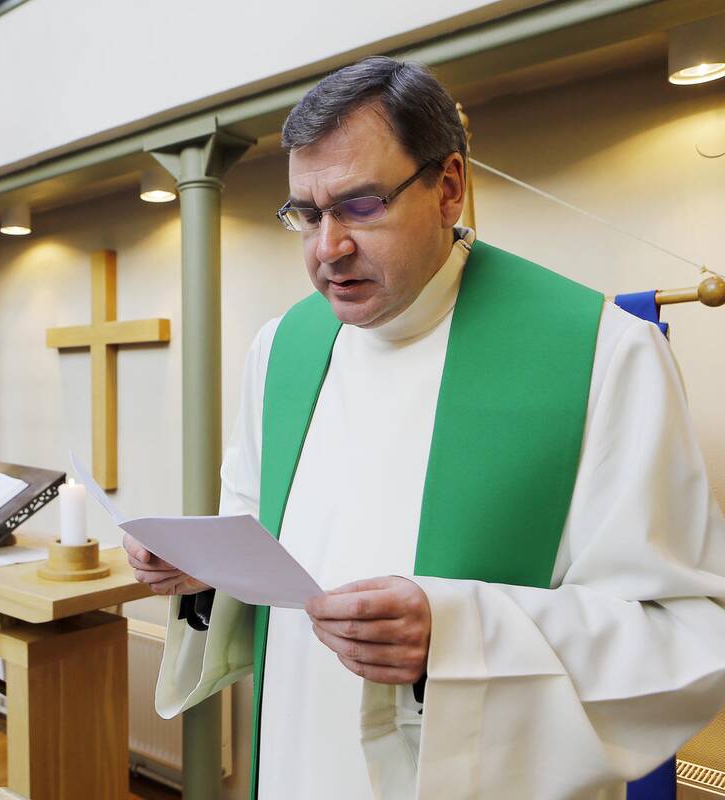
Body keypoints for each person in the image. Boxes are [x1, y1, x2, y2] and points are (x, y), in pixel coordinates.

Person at [126, 56, 725, 799]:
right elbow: (257, 532)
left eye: (361, 205)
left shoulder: (604, 353)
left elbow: (683, 633)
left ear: (448, 187)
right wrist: (204, 569)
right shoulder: (281, 350)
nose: (328, 248)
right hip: (292, 757)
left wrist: (457, 635)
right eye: (306, 214)